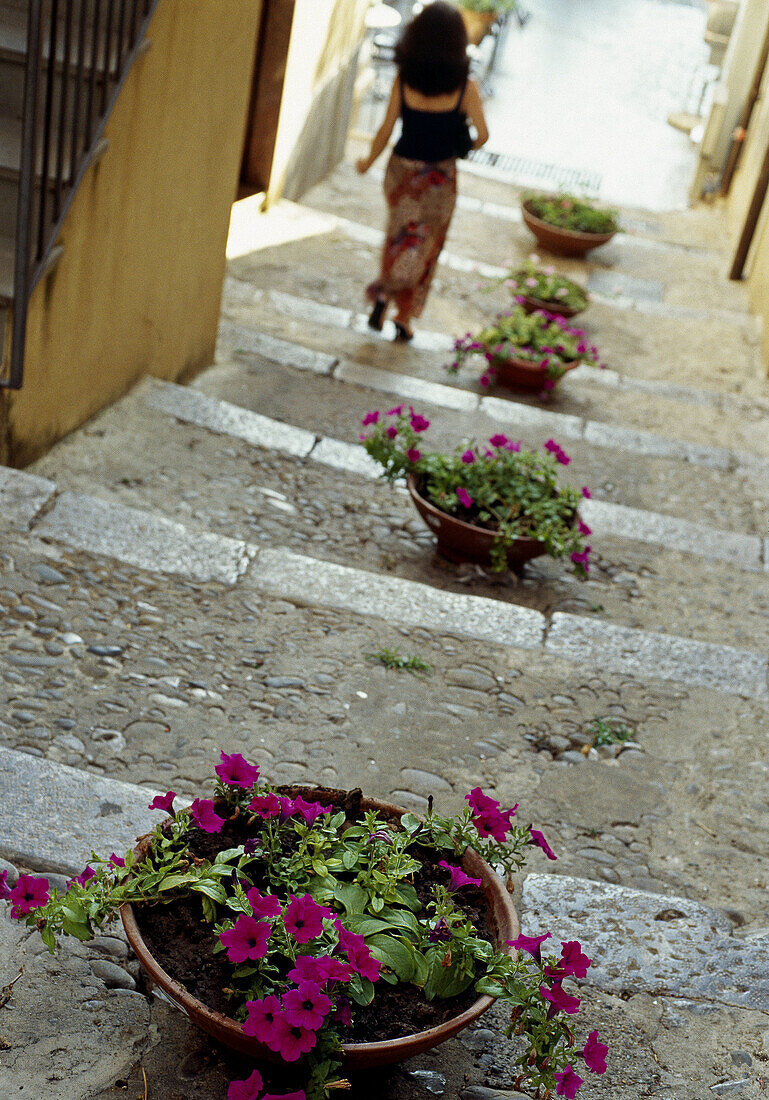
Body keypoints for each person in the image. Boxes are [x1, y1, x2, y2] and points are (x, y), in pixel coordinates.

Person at [356, 1, 489, 341]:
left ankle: (383, 294)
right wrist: (463, 146)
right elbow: (483, 136)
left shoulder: (404, 80)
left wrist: (367, 163)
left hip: (401, 172)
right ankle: (404, 316)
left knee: (399, 238)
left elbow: (385, 130)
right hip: (439, 179)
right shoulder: (466, 87)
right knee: (427, 246)